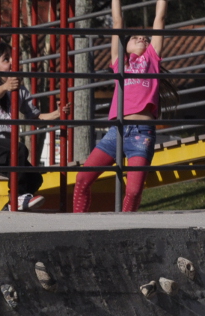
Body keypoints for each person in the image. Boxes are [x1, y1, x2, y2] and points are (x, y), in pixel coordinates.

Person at [72, 0, 168, 213]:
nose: (141, 38)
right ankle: (76, 224)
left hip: (141, 133)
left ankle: (126, 227)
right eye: (135, 38)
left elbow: (159, 19)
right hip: (116, 132)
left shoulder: (152, 58)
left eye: (144, 37)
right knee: (82, 179)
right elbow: (117, 20)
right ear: (126, 45)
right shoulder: (119, 62)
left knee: (133, 191)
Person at [0, 41, 67, 211]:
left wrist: (57, 114)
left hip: (7, 150)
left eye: (12, 57)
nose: (11, 61)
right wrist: (6, 87)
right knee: (19, 149)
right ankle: (18, 197)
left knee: (35, 178)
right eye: (5, 59)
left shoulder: (20, 90)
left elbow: (34, 116)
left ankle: (12, 204)